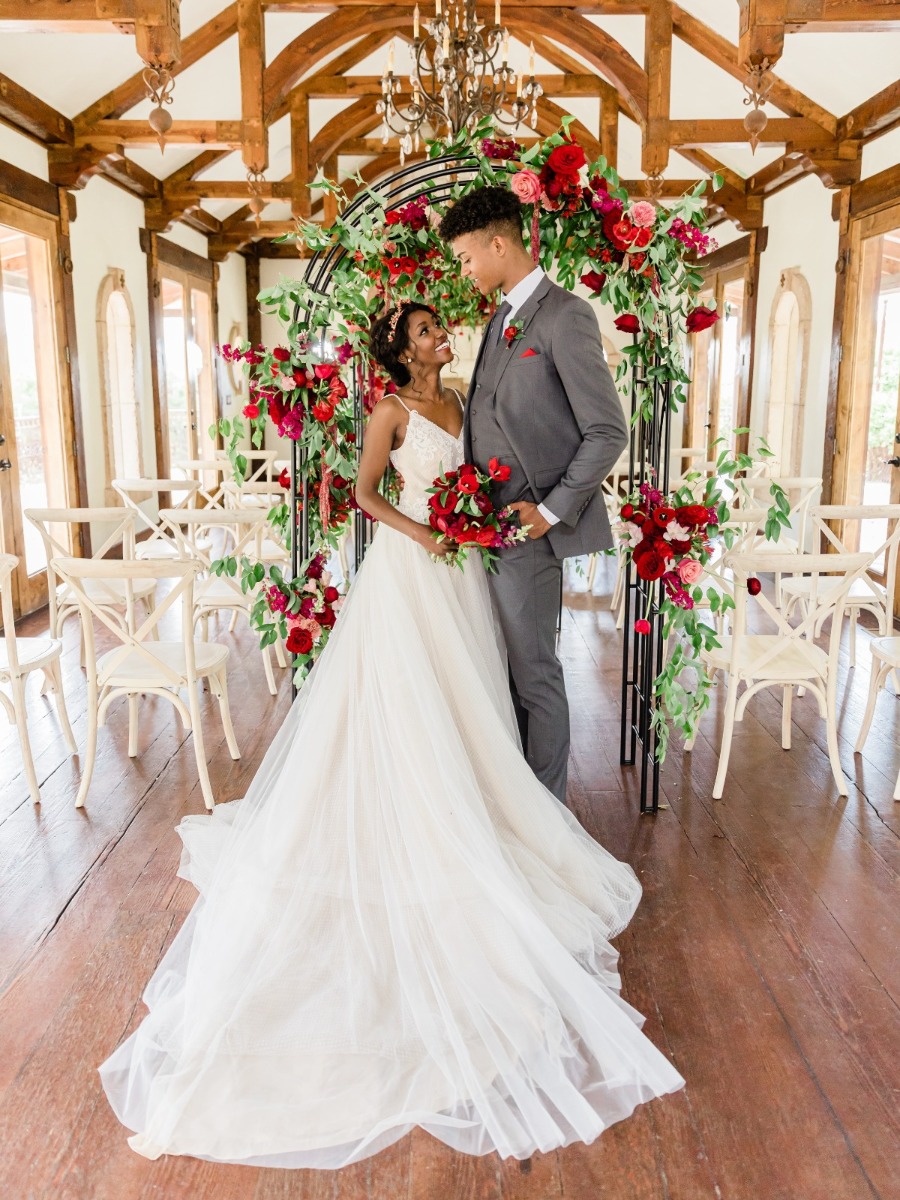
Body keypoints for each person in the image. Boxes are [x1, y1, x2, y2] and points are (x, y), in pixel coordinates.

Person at [97, 300, 683, 1170]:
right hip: (413, 575)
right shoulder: (391, 410)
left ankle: (476, 812)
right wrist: (426, 531)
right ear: (400, 352)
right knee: (406, 701)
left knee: (470, 700)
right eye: (422, 334)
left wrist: (474, 524)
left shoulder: (468, 400)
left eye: (439, 329)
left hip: (461, 577)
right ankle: (408, 821)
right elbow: (364, 495)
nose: (439, 337)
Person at [439, 187, 629, 804]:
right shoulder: (500, 317)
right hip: (485, 530)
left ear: (500, 244)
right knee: (501, 671)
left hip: (528, 533)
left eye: (467, 257)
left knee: (535, 675)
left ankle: (547, 815)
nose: (463, 270)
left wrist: (549, 513)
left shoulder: (566, 315)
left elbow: (608, 431)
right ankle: (514, 800)